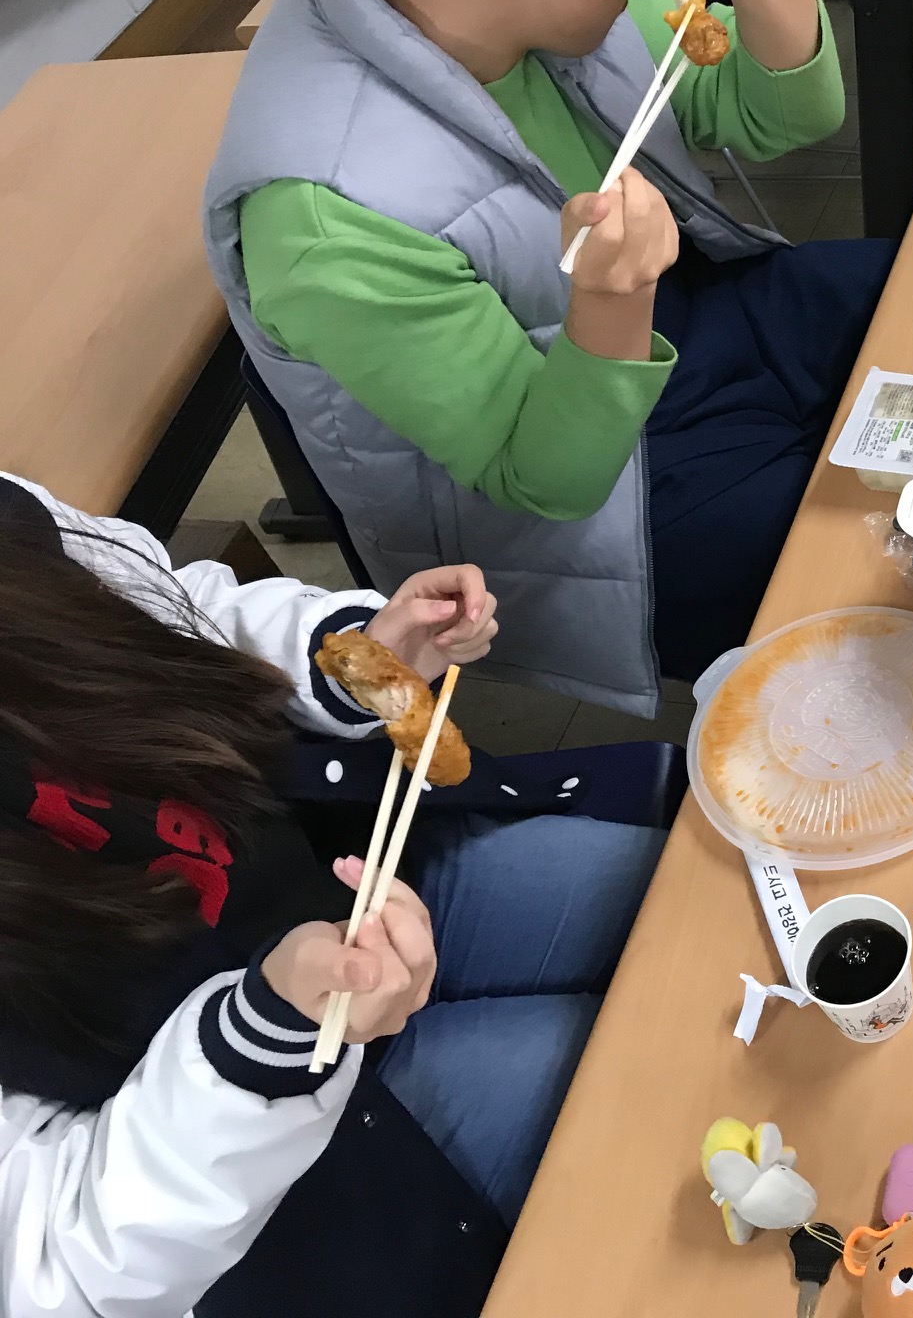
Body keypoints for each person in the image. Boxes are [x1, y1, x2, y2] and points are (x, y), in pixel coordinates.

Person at [205, 0, 891, 719]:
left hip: (697, 315)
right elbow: (546, 480)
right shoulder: (327, 218)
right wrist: (613, 297)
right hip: (606, 484)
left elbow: (777, 115)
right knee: (873, 565)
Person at [0, 474, 665, 1317]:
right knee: (667, 1074)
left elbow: (171, 608)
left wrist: (357, 660)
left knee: (695, 919)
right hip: (297, 1144)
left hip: (353, 878)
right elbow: (57, 1270)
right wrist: (265, 1038)